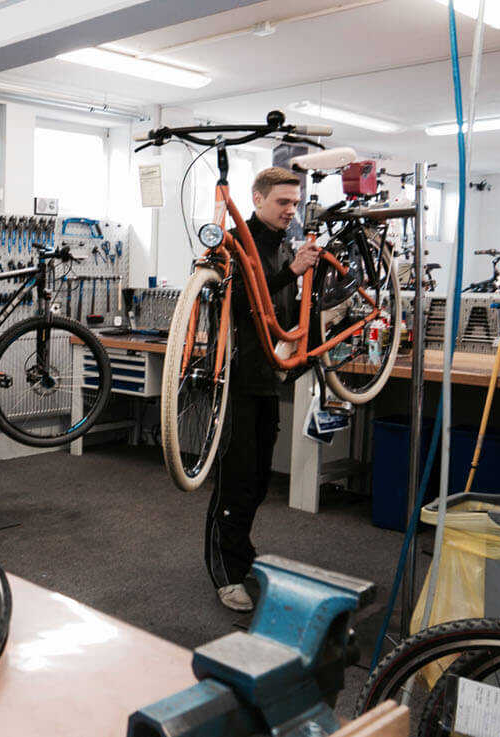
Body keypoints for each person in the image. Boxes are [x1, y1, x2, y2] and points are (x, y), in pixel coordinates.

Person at [204, 166, 321, 612]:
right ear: (257, 199)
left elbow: (286, 312)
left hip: (268, 380)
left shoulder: (286, 246)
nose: (291, 211)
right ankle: (225, 574)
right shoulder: (232, 244)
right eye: (282, 203)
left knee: (255, 483)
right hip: (234, 380)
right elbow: (242, 304)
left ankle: (242, 554)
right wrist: (291, 271)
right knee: (233, 483)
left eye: (295, 203)